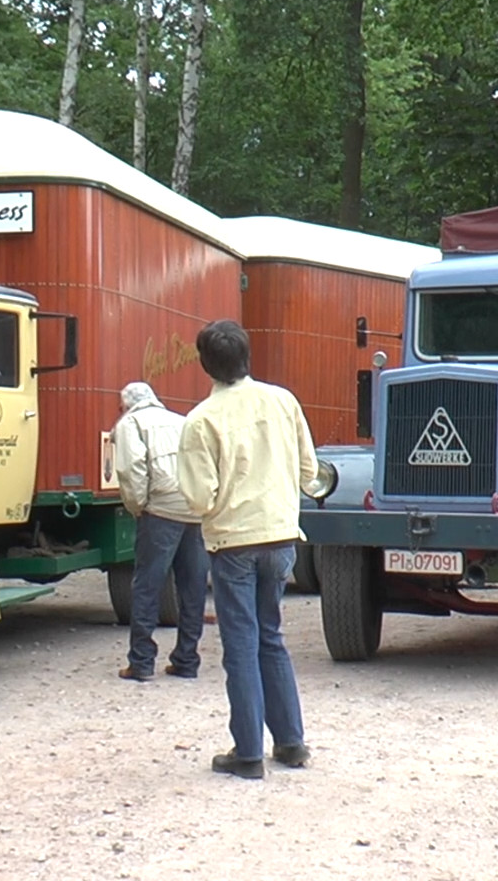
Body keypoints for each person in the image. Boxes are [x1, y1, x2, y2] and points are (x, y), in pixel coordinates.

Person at [177, 319, 317, 779]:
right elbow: (308, 469)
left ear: (205, 365)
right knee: (271, 637)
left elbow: (199, 496)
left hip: (234, 540)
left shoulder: (201, 421)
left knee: (240, 644)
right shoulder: (283, 400)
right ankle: (291, 743)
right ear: (247, 355)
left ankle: (249, 751)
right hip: (280, 535)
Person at [110, 381, 207, 681]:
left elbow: (131, 469)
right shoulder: (182, 420)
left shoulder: (131, 423)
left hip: (160, 510)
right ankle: (187, 660)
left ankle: (141, 662)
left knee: (147, 586)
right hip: (193, 510)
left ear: (126, 404)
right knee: (193, 587)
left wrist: (138, 505)